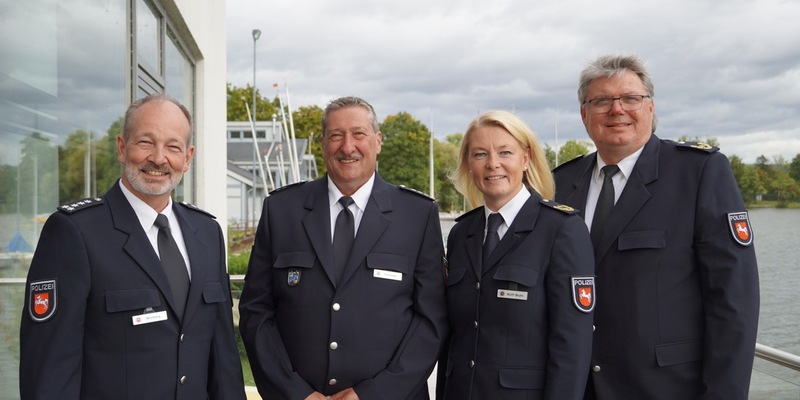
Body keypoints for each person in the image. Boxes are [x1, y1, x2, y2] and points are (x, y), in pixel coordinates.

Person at [553, 54, 760, 399]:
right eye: (601, 100)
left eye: (631, 98)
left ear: (650, 107)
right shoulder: (561, 183)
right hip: (576, 387)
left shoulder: (698, 173)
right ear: (584, 114)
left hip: (666, 388)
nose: (617, 110)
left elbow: (734, 301)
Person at [19, 93, 246, 399]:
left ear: (188, 158)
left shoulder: (207, 233)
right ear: (122, 148)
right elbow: (49, 372)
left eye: (173, 147)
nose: (159, 158)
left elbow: (224, 359)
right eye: (145, 142)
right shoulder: (75, 232)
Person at [239, 96, 448, 400]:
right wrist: (296, 393)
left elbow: (431, 321)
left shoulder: (416, 215)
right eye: (336, 135)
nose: (347, 147)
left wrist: (373, 394)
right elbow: (256, 312)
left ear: (377, 142)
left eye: (359, 134)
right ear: (322, 144)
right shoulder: (281, 210)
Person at [436, 110, 595, 400]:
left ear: (525, 159)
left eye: (505, 152)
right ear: (469, 164)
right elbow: (454, 341)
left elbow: (572, 346)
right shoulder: (461, 235)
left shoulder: (561, 230)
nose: (492, 164)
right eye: (480, 154)